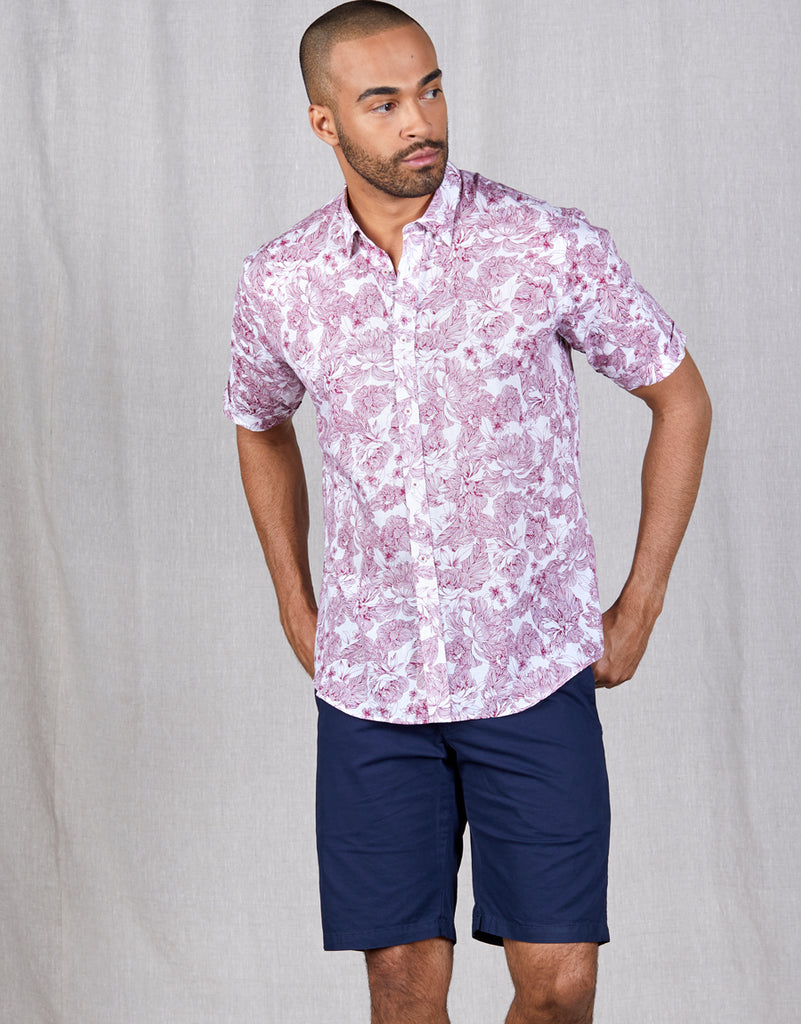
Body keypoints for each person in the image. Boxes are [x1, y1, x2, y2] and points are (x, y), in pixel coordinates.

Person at [223, 2, 712, 1021]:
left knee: (560, 985)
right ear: (325, 123)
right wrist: (294, 602)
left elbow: (679, 395)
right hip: (373, 692)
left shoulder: (542, 244)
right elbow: (259, 423)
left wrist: (640, 604)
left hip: (529, 671)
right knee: (402, 987)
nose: (421, 121)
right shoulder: (282, 280)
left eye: (432, 89)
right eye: (384, 102)